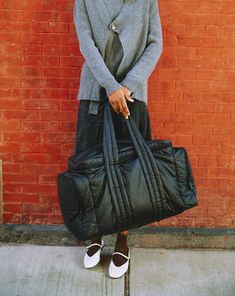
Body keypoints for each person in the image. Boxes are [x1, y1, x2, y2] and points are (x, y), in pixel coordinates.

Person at [73, 0, 163, 278]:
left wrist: (128, 85)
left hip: (132, 96)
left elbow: (155, 44)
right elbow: (85, 42)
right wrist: (111, 87)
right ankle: (96, 233)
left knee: (128, 171)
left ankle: (123, 238)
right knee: (92, 169)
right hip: (94, 94)